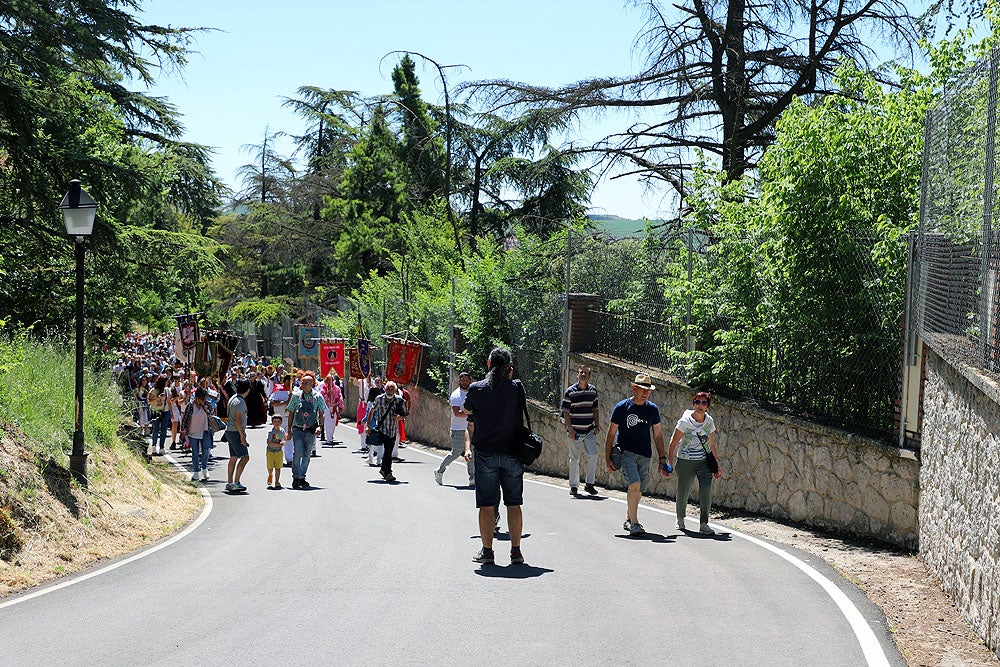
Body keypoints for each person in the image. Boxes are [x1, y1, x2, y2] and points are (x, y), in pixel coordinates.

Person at [463, 348, 525, 566]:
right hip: (512, 454)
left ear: (488, 363)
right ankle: (516, 552)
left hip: (485, 454)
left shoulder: (476, 389)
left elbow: (468, 411)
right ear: (509, 367)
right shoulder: (516, 389)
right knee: (514, 504)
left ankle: (487, 551)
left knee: (487, 505)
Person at [605, 373, 669, 536]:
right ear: (634, 388)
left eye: (648, 390)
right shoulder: (622, 407)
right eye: (642, 389)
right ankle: (635, 523)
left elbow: (658, 435)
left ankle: (628, 517)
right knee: (634, 484)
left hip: (645, 454)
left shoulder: (652, 409)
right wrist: (607, 457)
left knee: (639, 489)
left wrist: (662, 458)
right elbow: (611, 434)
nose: (646, 392)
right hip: (626, 452)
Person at [666, 391, 722, 534]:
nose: (700, 406)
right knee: (683, 491)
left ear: (707, 406)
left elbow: (711, 444)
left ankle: (704, 524)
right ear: (693, 404)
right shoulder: (684, 422)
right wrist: (669, 464)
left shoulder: (709, 421)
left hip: (704, 461)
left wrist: (716, 465)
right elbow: (673, 444)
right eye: (697, 402)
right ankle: (680, 519)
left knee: (706, 490)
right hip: (685, 460)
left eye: (704, 403)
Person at [561, 365, 600, 497]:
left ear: (589, 376)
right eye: (581, 372)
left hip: (589, 429)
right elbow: (565, 411)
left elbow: (595, 409)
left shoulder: (593, 391)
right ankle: (574, 486)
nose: (583, 374)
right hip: (575, 431)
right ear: (577, 375)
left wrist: (597, 425)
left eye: (586, 373)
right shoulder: (570, 391)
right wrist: (570, 429)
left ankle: (590, 484)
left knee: (593, 454)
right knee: (574, 459)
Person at [284, 371, 327, 489]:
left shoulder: (318, 397)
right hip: (297, 428)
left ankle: (302, 477)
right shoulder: (296, 396)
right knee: (297, 453)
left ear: (312, 384)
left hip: (311, 429)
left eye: (306, 382)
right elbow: (291, 413)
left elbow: (322, 413)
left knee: (307, 455)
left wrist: (320, 427)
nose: (302, 384)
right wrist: (289, 430)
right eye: (302, 382)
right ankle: (296, 477)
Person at [435, 372, 474, 487]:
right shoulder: (456, 395)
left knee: (472, 452)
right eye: (463, 380)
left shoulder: (472, 393)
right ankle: (440, 471)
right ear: (459, 381)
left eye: (467, 380)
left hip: (470, 428)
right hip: (458, 429)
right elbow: (457, 413)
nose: (465, 382)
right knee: (456, 452)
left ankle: (472, 478)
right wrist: (472, 413)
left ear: (470, 381)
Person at [366, 381, 407, 482]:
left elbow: (404, 414)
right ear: (385, 389)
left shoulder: (399, 400)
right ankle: (388, 472)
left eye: (392, 389)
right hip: (382, 429)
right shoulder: (379, 399)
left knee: (388, 451)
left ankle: (385, 470)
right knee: (386, 452)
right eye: (388, 388)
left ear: (395, 390)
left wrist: (399, 417)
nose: (390, 391)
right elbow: (372, 410)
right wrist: (368, 426)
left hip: (392, 430)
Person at [180, 387, 213, 482]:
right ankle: (196, 472)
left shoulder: (207, 404)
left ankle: (204, 468)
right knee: (195, 452)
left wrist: (204, 407)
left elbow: (210, 413)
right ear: (196, 397)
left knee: (205, 450)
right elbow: (185, 418)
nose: (202, 401)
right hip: (192, 432)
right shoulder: (190, 405)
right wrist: (183, 431)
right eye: (201, 399)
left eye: (204, 399)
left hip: (205, 430)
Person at [224, 379, 252, 492]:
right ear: (247, 389)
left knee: (234, 457)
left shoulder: (233, 398)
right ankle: (236, 482)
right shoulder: (239, 402)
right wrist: (242, 436)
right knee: (245, 457)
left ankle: (230, 482)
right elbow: (238, 420)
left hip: (230, 431)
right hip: (235, 432)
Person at [319, 369, 345, 445]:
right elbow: (321, 396)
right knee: (327, 422)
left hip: (334, 406)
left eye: (331, 379)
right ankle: (329, 439)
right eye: (328, 380)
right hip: (326, 407)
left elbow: (340, 397)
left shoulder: (337, 388)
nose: (330, 381)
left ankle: (331, 435)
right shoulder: (323, 388)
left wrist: (340, 406)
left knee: (333, 423)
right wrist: (327, 393)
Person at [147, 374, 171, 456]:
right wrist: (158, 398)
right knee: (156, 429)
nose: (168, 383)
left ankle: (162, 447)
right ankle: (154, 446)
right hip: (155, 411)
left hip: (164, 411)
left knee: (164, 430)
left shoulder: (167, 390)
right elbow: (149, 401)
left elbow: (168, 401)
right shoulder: (154, 390)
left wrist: (172, 412)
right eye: (166, 381)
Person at [266, 414, 286, 489]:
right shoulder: (271, 432)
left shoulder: (282, 430)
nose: (277, 423)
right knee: (270, 467)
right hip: (270, 452)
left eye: (278, 421)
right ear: (272, 422)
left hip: (279, 452)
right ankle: (270, 475)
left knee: (278, 467)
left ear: (281, 422)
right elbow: (269, 442)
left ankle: (277, 481)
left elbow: (285, 438)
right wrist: (278, 445)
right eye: (275, 421)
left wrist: (286, 439)